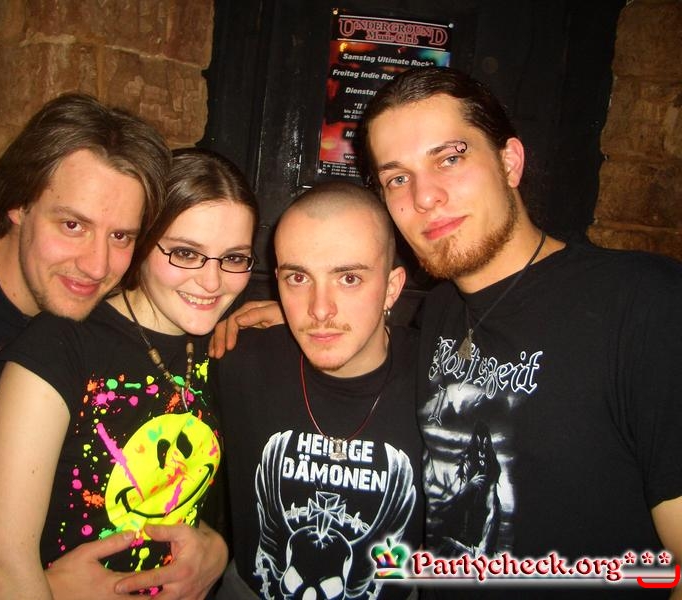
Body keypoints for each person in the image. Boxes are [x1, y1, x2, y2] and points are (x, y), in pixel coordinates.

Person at [0, 93, 222, 600]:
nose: (96, 265)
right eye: (72, 225)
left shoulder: (110, 326)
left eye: (121, 236)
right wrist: (30, 588)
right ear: (19, 204)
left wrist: (214, 545)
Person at [360, 66, 682, 597]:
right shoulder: (439, 310)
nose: (424, 197)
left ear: (509, 161)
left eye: (450, 157)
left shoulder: (644, 303)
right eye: (398, 178)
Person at [0, 148, 258, 599]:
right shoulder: (60, 346)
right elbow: (3, 560)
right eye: (186, 253)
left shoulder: (220, 346)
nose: (212, 282)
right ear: (142, 243)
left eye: (234, 258)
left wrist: (216, 549)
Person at [212, 181, 424, 600]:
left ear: (392, 287)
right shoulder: (237, 360)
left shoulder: (441, 378)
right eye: (298, 278)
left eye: (349, 278)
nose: (319, 309)